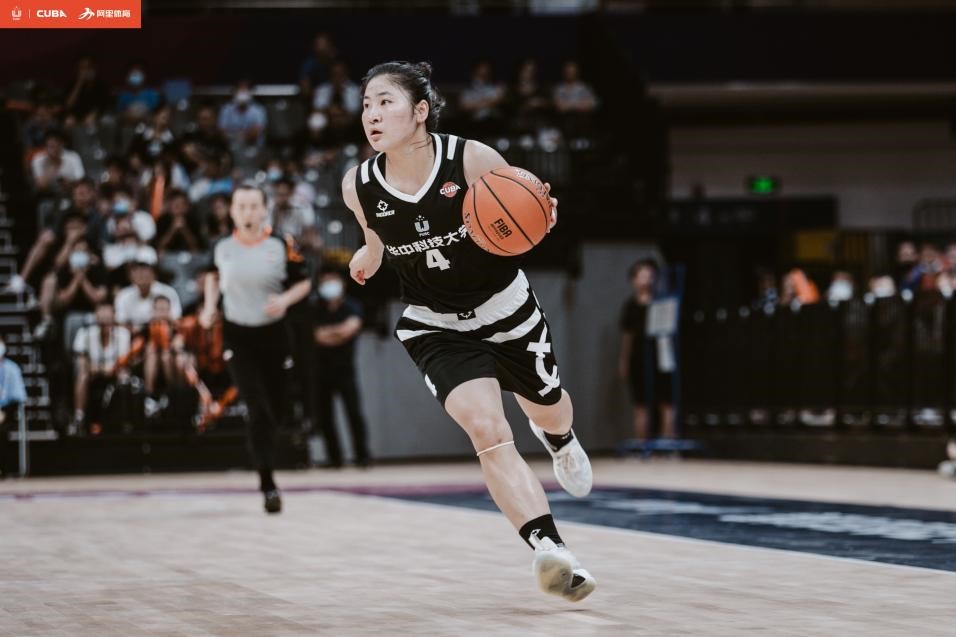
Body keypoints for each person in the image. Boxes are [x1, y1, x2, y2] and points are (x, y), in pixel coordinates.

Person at [345, 61, 595, 601]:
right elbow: (376, 239)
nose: (372, 114)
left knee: (549, 408)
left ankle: (560, 439)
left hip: (506, 308)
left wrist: (543, 214)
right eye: (366, 104)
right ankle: (551, 550)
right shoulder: (358, 185)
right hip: (434, 324)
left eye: (385, 102)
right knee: (486, 428)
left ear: (420, 111)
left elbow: (525, 213)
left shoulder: (473, 159)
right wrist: (366, 256)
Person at [201, 183, 311, 514]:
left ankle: (266, 457)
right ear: (232, 211)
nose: (247, 212)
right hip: (238, 337)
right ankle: (267, 483)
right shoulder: (222, 247)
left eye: (253, 206)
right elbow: (212, 277)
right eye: (241, 206)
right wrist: (210, 307)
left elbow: (304, 281)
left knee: (275, 409)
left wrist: (285, 300)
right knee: (257, 408)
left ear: (264, 210)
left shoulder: (281, 244)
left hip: (274, 336)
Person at [313, 267, 370, 468]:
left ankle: (362, 456)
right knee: (325, 416)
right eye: (325, 281)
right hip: (321, 370)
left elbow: (350, 329)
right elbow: (315, 336)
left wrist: (329, 333)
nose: (329, 284)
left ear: (342, 282)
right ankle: (334, 458)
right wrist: (337, 333)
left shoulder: (352, 305)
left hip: (346, 369)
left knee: (353, 413)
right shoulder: (315, 307)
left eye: (332, 279)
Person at [618, 259, 674, 442]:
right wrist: (624, 361)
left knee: (666, 402)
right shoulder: (630, 306)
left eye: (650, 276)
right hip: (639, 358)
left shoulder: (662, 302)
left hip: (661, 357)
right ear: (633, 280)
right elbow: (627, 337)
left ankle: (668, 444)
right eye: (642, 276)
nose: (647, 280)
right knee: (641, 405)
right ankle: (642, 445)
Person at [0, 336, 27, 479]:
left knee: (2, 430)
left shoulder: (12, 368)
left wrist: (4, 413)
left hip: (7, 410)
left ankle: (3, 469)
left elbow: (18, 397)